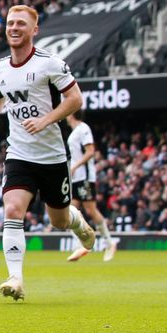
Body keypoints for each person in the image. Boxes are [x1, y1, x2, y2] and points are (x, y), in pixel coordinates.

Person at [0, 5, 95, 301]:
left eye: (21, 24)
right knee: (12, 209)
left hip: (51, 157)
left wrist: (46, 120)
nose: (14, 27)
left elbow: (75, 98)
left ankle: (80, 226)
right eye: (11, 23)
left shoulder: (50, 64)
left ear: (34, 30)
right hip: (19, 154)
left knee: (58, 221)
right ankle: (16, 277)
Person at [66, 111, 117, 262]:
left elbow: (90, 152)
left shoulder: (83, 129)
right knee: (69, 211)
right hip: (76, 178)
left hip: (85, 177)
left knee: (91, 210)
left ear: (71, 114)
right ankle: (79, 245)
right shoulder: (75, 131)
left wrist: (75, 166)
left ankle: (110, 243)